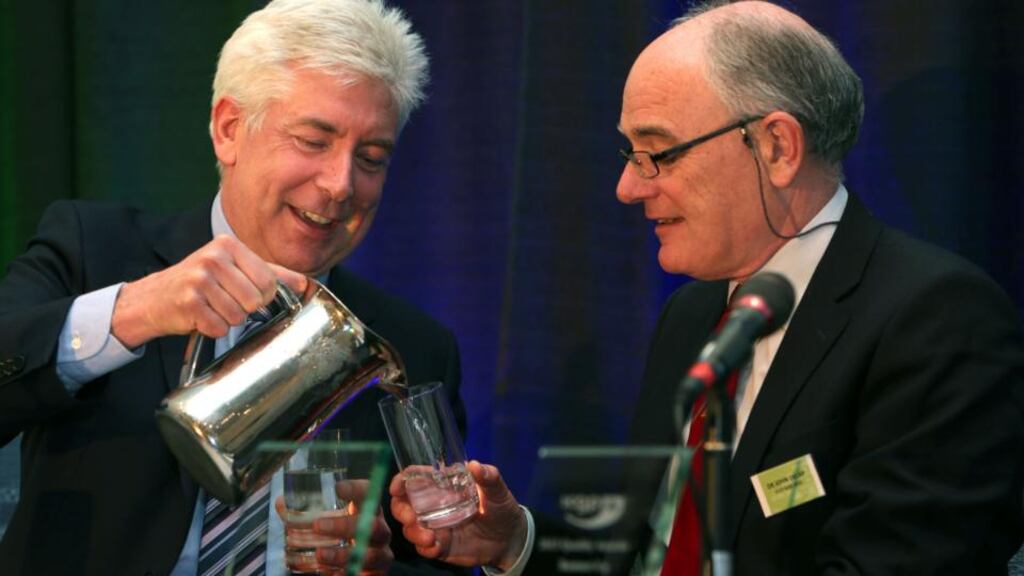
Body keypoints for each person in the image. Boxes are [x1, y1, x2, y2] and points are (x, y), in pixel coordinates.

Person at [389, 1, 1024, 575]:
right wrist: (514, 541)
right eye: (629, 154)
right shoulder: (692, 316)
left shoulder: (937, 321)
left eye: (659, 152)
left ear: (777, 147)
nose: (628, 188)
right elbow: (650, 556)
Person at [0, 1, 468, 575]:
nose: (341, 184)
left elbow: (444, 559)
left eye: (371, 158)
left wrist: (377, 568)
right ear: (229, 129)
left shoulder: (411, 348)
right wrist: (132, 312)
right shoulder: (94, 252)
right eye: (313, 141)